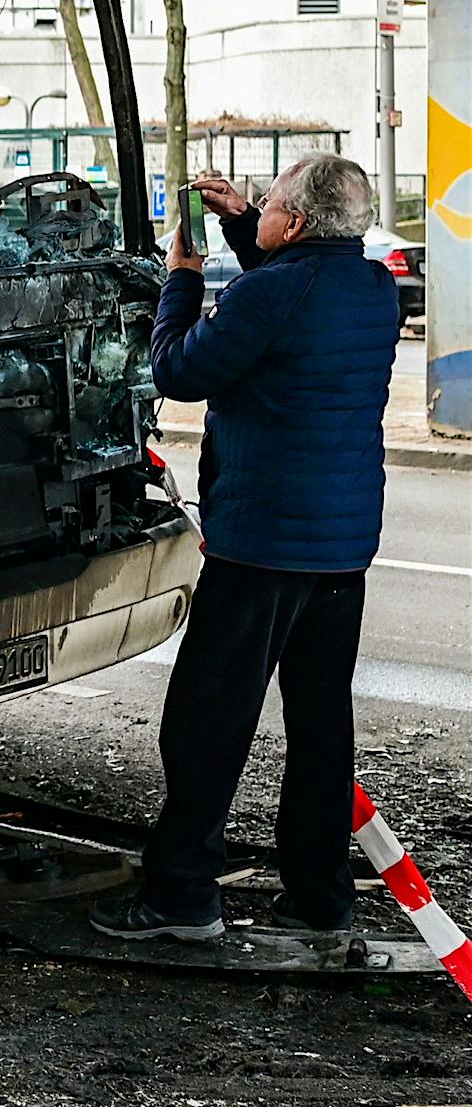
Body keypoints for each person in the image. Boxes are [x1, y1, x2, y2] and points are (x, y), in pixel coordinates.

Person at [90, 154, 399, 942]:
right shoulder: (371, 290)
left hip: (260, 547)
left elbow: (178, 369)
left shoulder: (266, 292)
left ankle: (181, 896)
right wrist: (236, 218)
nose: (255, 210)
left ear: (291, 222)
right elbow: (299, 289)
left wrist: (184, 278)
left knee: (206, 722)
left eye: (264, 204)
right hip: (340, 549)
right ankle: (321, 903)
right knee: (322, 728)